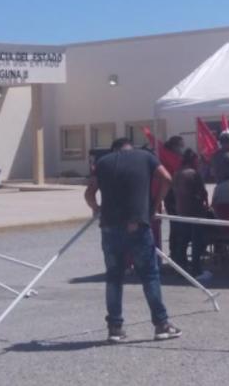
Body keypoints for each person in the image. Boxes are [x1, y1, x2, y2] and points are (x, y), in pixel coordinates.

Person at [85, 137, 181, 343]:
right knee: (149, 275)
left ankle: (115, 328)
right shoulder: (146, 157)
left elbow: (89, 193)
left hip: (110, 227)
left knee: (114, 277)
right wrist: (155, 205)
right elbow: (167, 179)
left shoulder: (102, 163)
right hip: (137, 224)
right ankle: (162, 325)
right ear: (131, 148)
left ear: (114, 150)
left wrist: (96, 209)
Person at [170, 149, 210, 280]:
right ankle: (196, 269)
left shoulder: (177, 173)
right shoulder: (193, 173)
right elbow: (202, 193)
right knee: (198, 241)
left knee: (183, 241)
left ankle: (180, 267)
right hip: (195, 211)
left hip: (181, 210)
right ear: (193, 160)